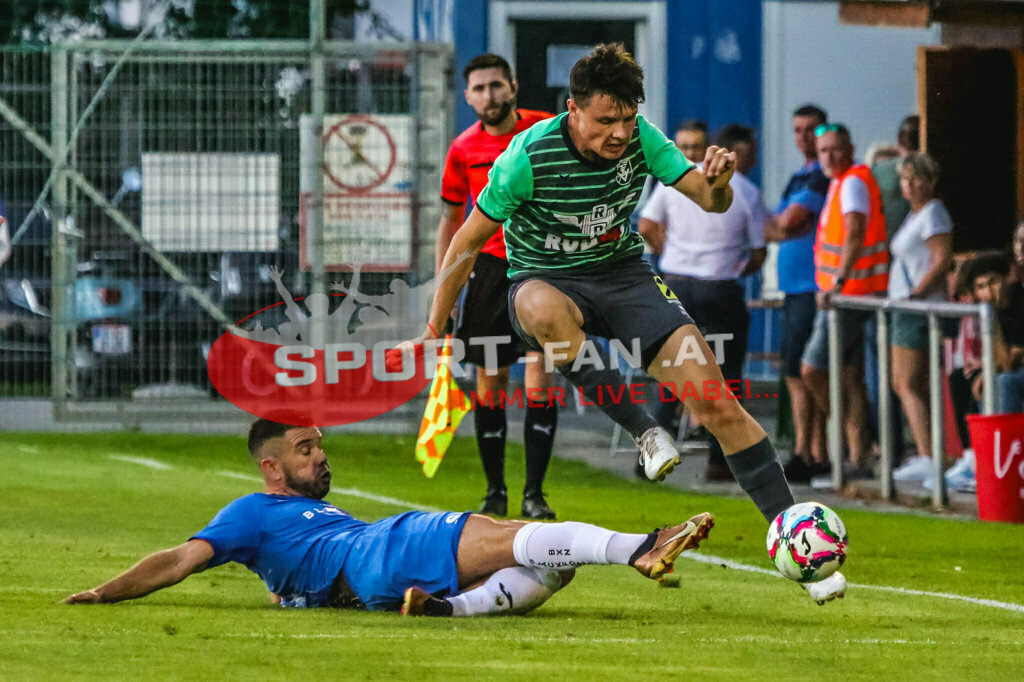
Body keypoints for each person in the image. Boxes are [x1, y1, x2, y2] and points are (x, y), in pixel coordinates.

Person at [395, 43, 844, 604]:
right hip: (544, 279)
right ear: (573, 109)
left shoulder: (644, 140)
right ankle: (645, 430)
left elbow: (709, 200)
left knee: (717, 403)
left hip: (625, 278)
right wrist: (436, 325)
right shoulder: (527, 155)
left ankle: (799, 544)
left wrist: (721, 179)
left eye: (628, 119)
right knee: (541, 311)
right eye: (607, 120)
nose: (620, 132)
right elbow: (465, 241)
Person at [64, 417, 717, 616]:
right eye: (304, 450)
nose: (320, 458)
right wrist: (105, 590)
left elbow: (286, 580)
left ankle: (447, 609)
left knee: (555, 563)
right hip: (375, 552)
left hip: (374, 563)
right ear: (270, 468)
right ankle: (641, 547)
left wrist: (292, 593)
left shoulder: (305, 517)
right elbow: (180, 560)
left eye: (319, 446)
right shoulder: (249, 512)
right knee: (512, 536)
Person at [436, 54, 559, 520]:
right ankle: (495, 492)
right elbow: (450, 222)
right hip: (488, 272)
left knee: (539, 378)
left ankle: (535, 493)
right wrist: (445, 286)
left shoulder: (544, 129)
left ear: (514, 86)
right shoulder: (462, 149)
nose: (489, 95)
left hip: (543, 265)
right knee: (490, 383)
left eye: (496, 86)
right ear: (468, 98)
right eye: (479, 88)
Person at [638, 121, 768, 481]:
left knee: (671, 370)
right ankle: (721, 459)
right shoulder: (746, 190)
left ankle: (650, 452)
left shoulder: (674, 184)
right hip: (720, 286)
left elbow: (646, 226)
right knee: (726, 374)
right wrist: (737, 267)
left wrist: (669, 256)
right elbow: (759, 251)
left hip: (678, 284)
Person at [800, 123, 889, 480]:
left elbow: (854, 233)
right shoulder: (843, 181)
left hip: (848, 297)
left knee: (813, 369)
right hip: (849, 294)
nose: (829, 156)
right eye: (823, 150)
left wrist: (836, 283)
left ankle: (851, 436)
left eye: (835, 149)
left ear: (850, 148)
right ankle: (858, 451)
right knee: (850, 377)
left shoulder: (851, 182)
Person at [763, 104, 830, 483]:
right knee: (795, 371)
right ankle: (809, 448)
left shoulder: (820, 177)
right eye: (797, 129)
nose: (802, 137)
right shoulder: (797, 178)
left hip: (811, 287)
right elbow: (773, 227)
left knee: (799, 370)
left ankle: (807, 450)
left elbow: (786, 222)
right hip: (793, 288)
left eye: (810, 130)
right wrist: (779, 228)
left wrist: (780, 227)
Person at [887, 152, 954, 481]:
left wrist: (916, 295)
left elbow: (941, 261)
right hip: (904, 304)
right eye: (905, 179)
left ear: (930, 181)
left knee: (905, 382)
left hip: (916, 307)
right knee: (908, 383)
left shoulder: (933, 213)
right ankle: (928, 451)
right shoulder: (914, 215)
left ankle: (929, 455)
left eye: (916, 179)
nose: (909, 185)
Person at [960, 253, 1024, 414]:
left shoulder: (1019, 300)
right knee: (961, 378)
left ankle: (1004, 437)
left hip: (1015, 369)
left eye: (993, 282)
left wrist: (989, 369)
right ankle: (980, 437)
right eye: (981, 287)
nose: (988, 291)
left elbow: (1011, 362)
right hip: (1013, 366)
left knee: (1003, 381)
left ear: (1006, 278)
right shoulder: (991, 310)